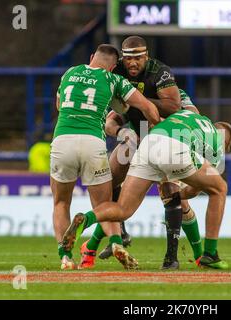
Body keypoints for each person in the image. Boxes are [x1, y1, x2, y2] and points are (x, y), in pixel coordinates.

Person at [62, 109, 231, 270]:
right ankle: (210, 254)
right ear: (226, 142)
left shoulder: (189, 116)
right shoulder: (218, 140)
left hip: (148, 143)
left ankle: (86, 219)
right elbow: (196, 189)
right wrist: (179, 195)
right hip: (175, 148)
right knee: (220, 188)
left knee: (123, 210)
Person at [91, 35, 200, 270]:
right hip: (139, 134)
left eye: (138, 58)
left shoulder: (160, 73)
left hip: (168, 135)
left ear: (146, 57)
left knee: (172, 193)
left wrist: (136, 101)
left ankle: (176, 257)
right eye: (128, 58)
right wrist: (122, 133)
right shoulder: (116, 72)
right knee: (109, 178)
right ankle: (118, 234)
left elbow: (177, 110)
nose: (132, 63)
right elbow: (110, 122)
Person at [51, 43, 160, 270]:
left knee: (61, 202)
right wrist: (157, 127)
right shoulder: (114, 80)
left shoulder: (69, 73)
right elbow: (146, 106)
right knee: (104, 203)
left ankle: (65, 258)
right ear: (113, 67)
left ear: (92, 57)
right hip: (93, 143)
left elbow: (60, 105)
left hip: (63, 139)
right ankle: (116, 242)